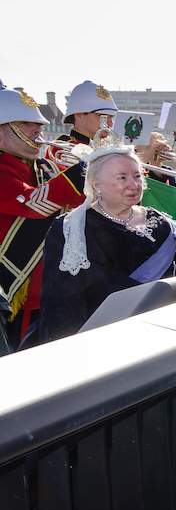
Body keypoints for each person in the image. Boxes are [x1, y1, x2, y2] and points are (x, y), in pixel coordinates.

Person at [36, 143, 176, 343]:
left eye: (137, 176)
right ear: (96, 184)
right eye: (122, 178)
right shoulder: (74, 228)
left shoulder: (161, 221)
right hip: (108, 338)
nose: (133, 185)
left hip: (170, 330)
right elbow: (63, 302)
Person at [0, 86, 87, 350]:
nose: (38, 129)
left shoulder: (44, 167)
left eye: (38, 123)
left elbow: (79, 206)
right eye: (26, 123)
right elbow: (35, 204)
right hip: (18, 291)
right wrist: (81, 172)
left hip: (56, 285)